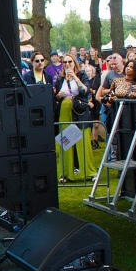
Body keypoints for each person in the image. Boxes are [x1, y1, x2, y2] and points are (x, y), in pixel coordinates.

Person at [54, 54, 97, 182]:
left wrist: (74, 77)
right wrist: (59, 96)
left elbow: (85, 91)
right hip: (65, 110)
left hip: (79, 111)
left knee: (82, 141)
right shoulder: (60, 78)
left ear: (74, 63)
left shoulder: (82, 74)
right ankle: (66, 174)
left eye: (70, 62)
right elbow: (56, 97)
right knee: (66, 142)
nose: (67, 64)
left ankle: (90, 172)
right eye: (65, 62)